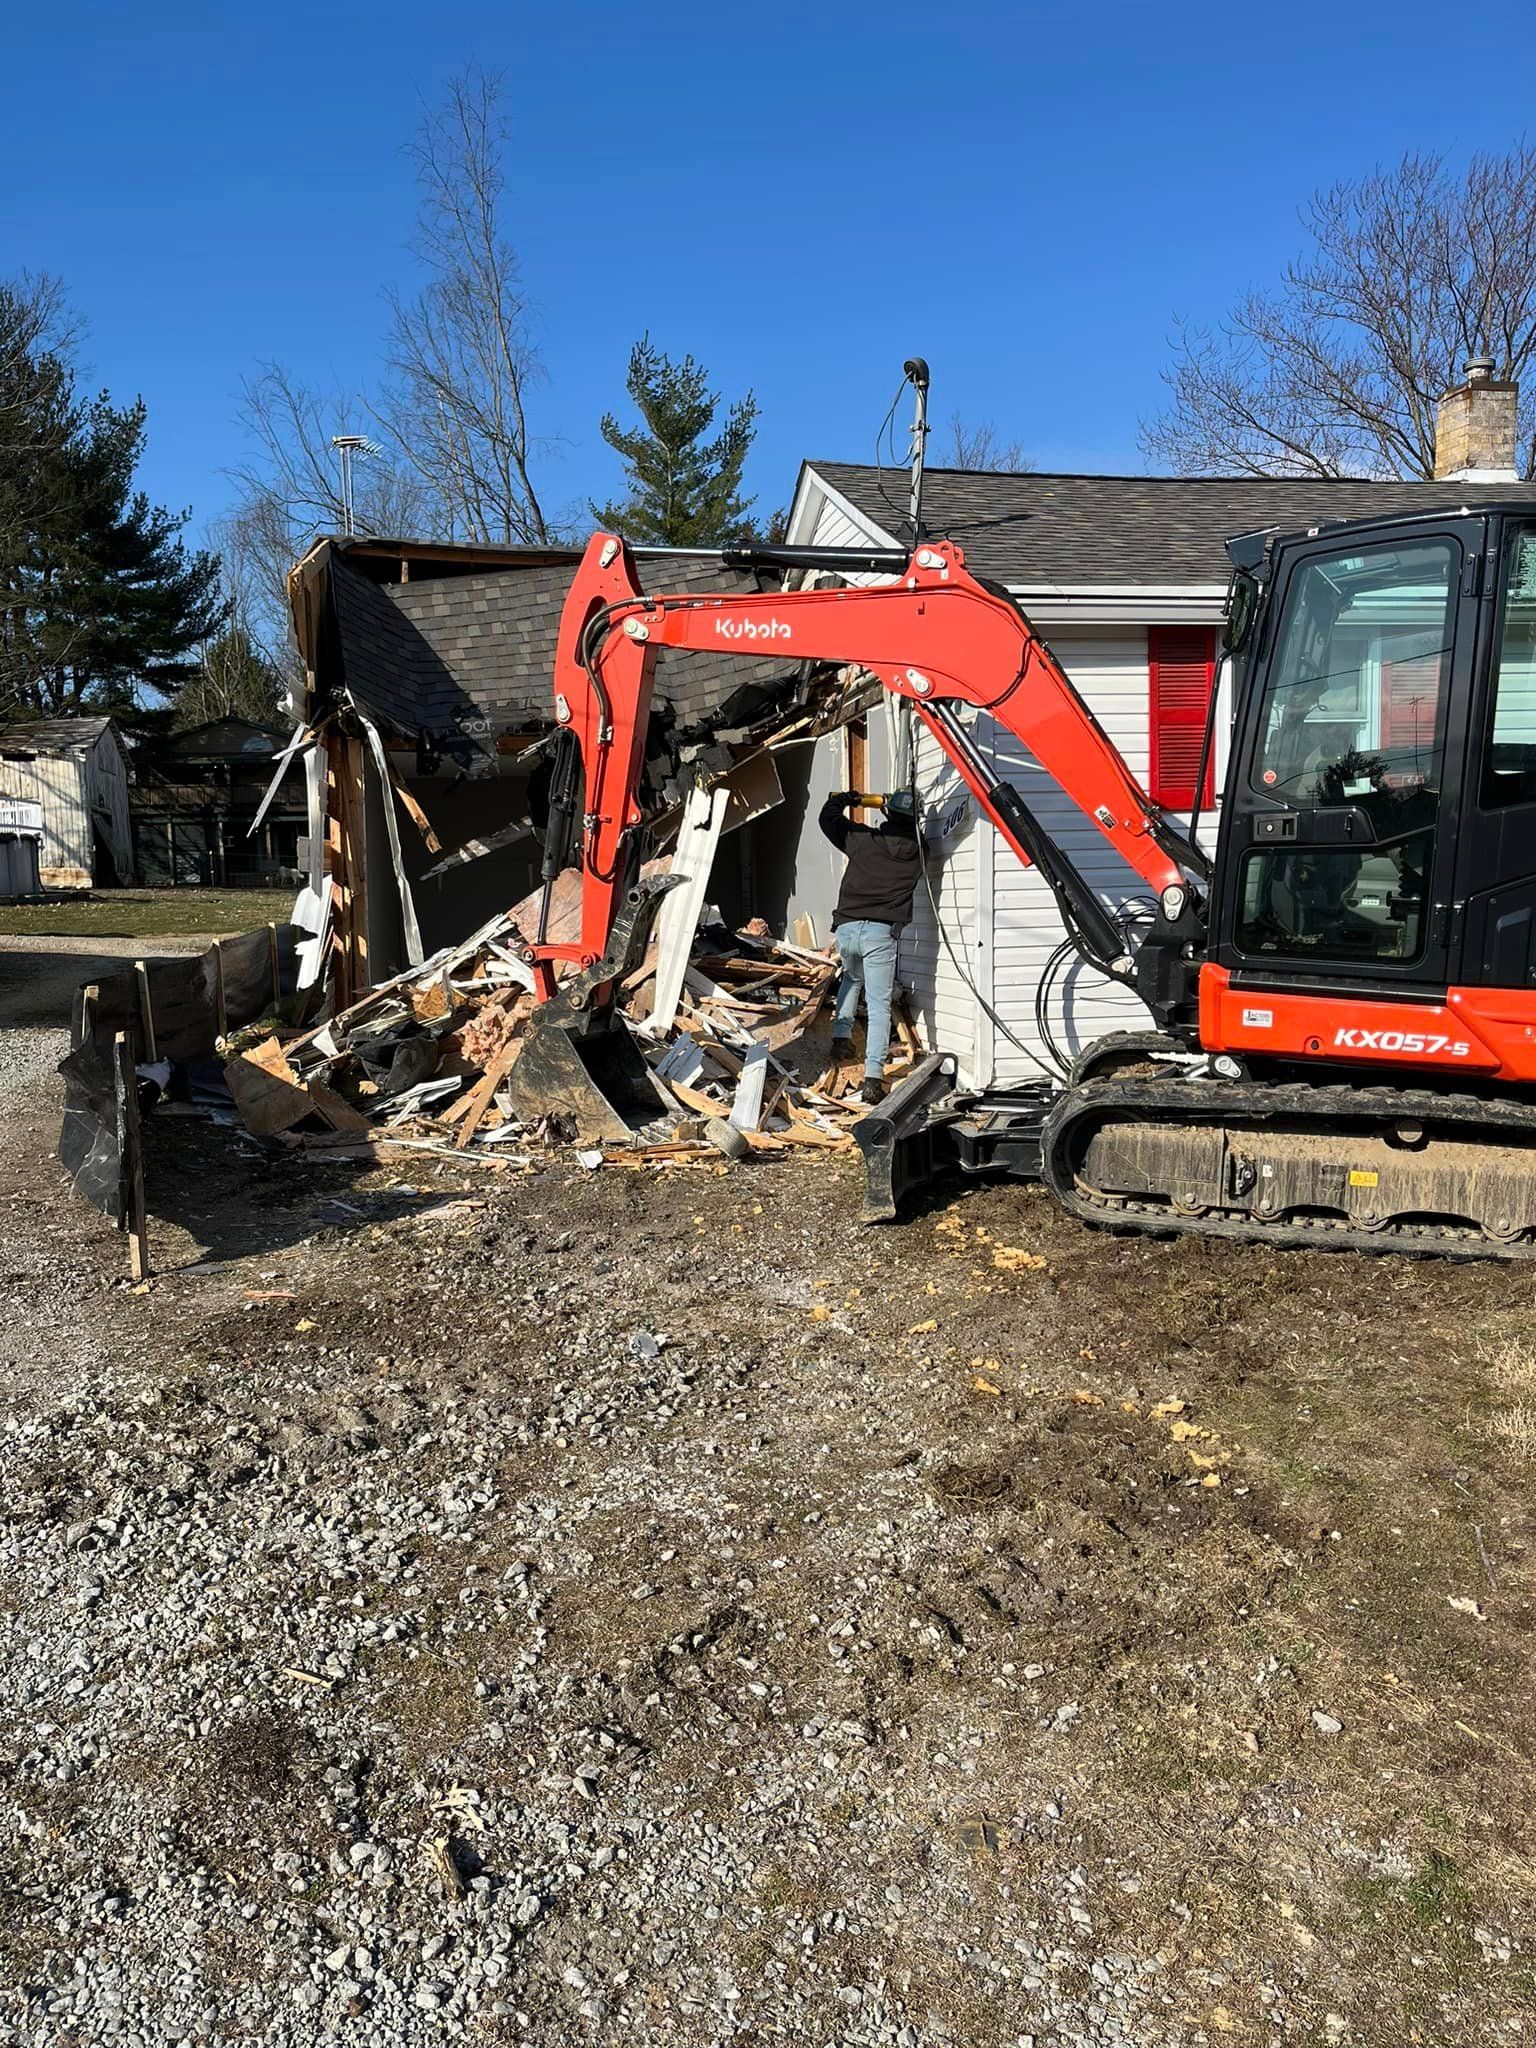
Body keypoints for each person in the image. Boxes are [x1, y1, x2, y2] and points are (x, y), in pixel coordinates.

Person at [818, 787, 921, 1104]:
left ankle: (840, 1040)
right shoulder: (920, 853)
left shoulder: (862, 840)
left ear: (886, 812)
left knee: (851, 978)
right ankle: (873, 1080)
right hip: (880, 933)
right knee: (878, 1006)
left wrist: (846, 799)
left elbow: (827, 819)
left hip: (847, 929)